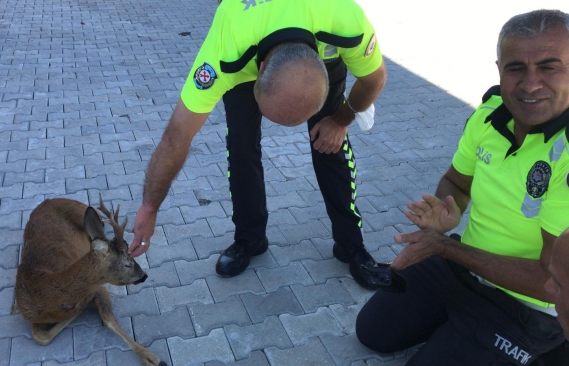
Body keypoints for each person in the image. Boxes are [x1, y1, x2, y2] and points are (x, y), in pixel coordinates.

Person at [356, 9, 569, 365]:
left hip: (528, 303)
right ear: (499, 69)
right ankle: (461, 330)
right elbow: (456, 181)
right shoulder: (491, 112)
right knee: (372, 331)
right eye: (516, 68)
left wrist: (443, 248)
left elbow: (547, 277)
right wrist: (444, 209)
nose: (531, 84)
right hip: (464, 265)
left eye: (550, 67)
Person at [126, 0, 387, 288]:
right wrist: (149, 208)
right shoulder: (227, 50)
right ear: (260, 71)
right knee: (241, 146)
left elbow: (375, 79)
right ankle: (250, 238)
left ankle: (351, 243)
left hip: (315, 45)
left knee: (330, 144)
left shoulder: (345, 21)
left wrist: (340, 120)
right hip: (250, 44)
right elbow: (176, 137)